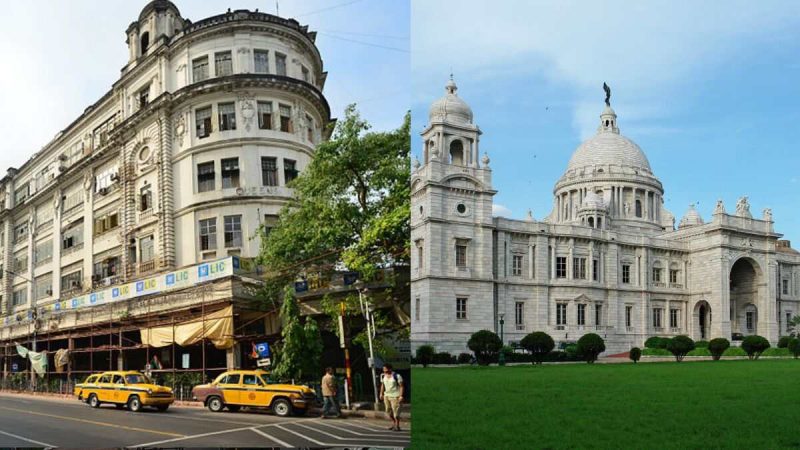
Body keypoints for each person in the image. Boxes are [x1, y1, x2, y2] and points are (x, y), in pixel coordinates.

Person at [379, 363, 404, 431]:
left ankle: (397, 426)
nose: (384, 371)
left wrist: (401, 396)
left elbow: (401, 386)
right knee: (388, 412)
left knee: (396, 413)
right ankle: (394, 423)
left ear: (390, 369)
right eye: (383, 369)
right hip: (386, 396)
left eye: (385, 369)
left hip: (395, 396)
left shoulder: (397, 376)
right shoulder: (383, 376)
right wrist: (381, 393)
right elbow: (382, 385)